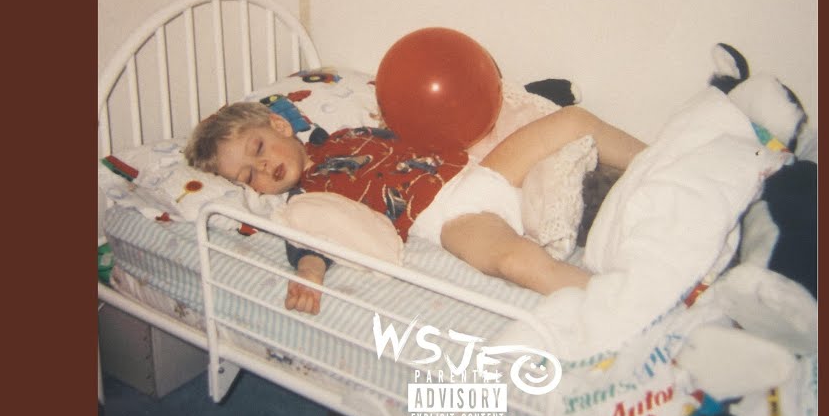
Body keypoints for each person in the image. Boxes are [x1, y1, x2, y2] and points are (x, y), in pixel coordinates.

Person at [184, 100, 647, 314]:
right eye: (248, 177)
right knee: (514, 261)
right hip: (453, 218)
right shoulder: (305, 198)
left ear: (279, 125)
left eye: (258, 149)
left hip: (478, 173)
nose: (263, 168)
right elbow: (310, 237)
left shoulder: (346, 134)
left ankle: (664, 163)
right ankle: (624, 301)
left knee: (572, 120)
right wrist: (309, 270)